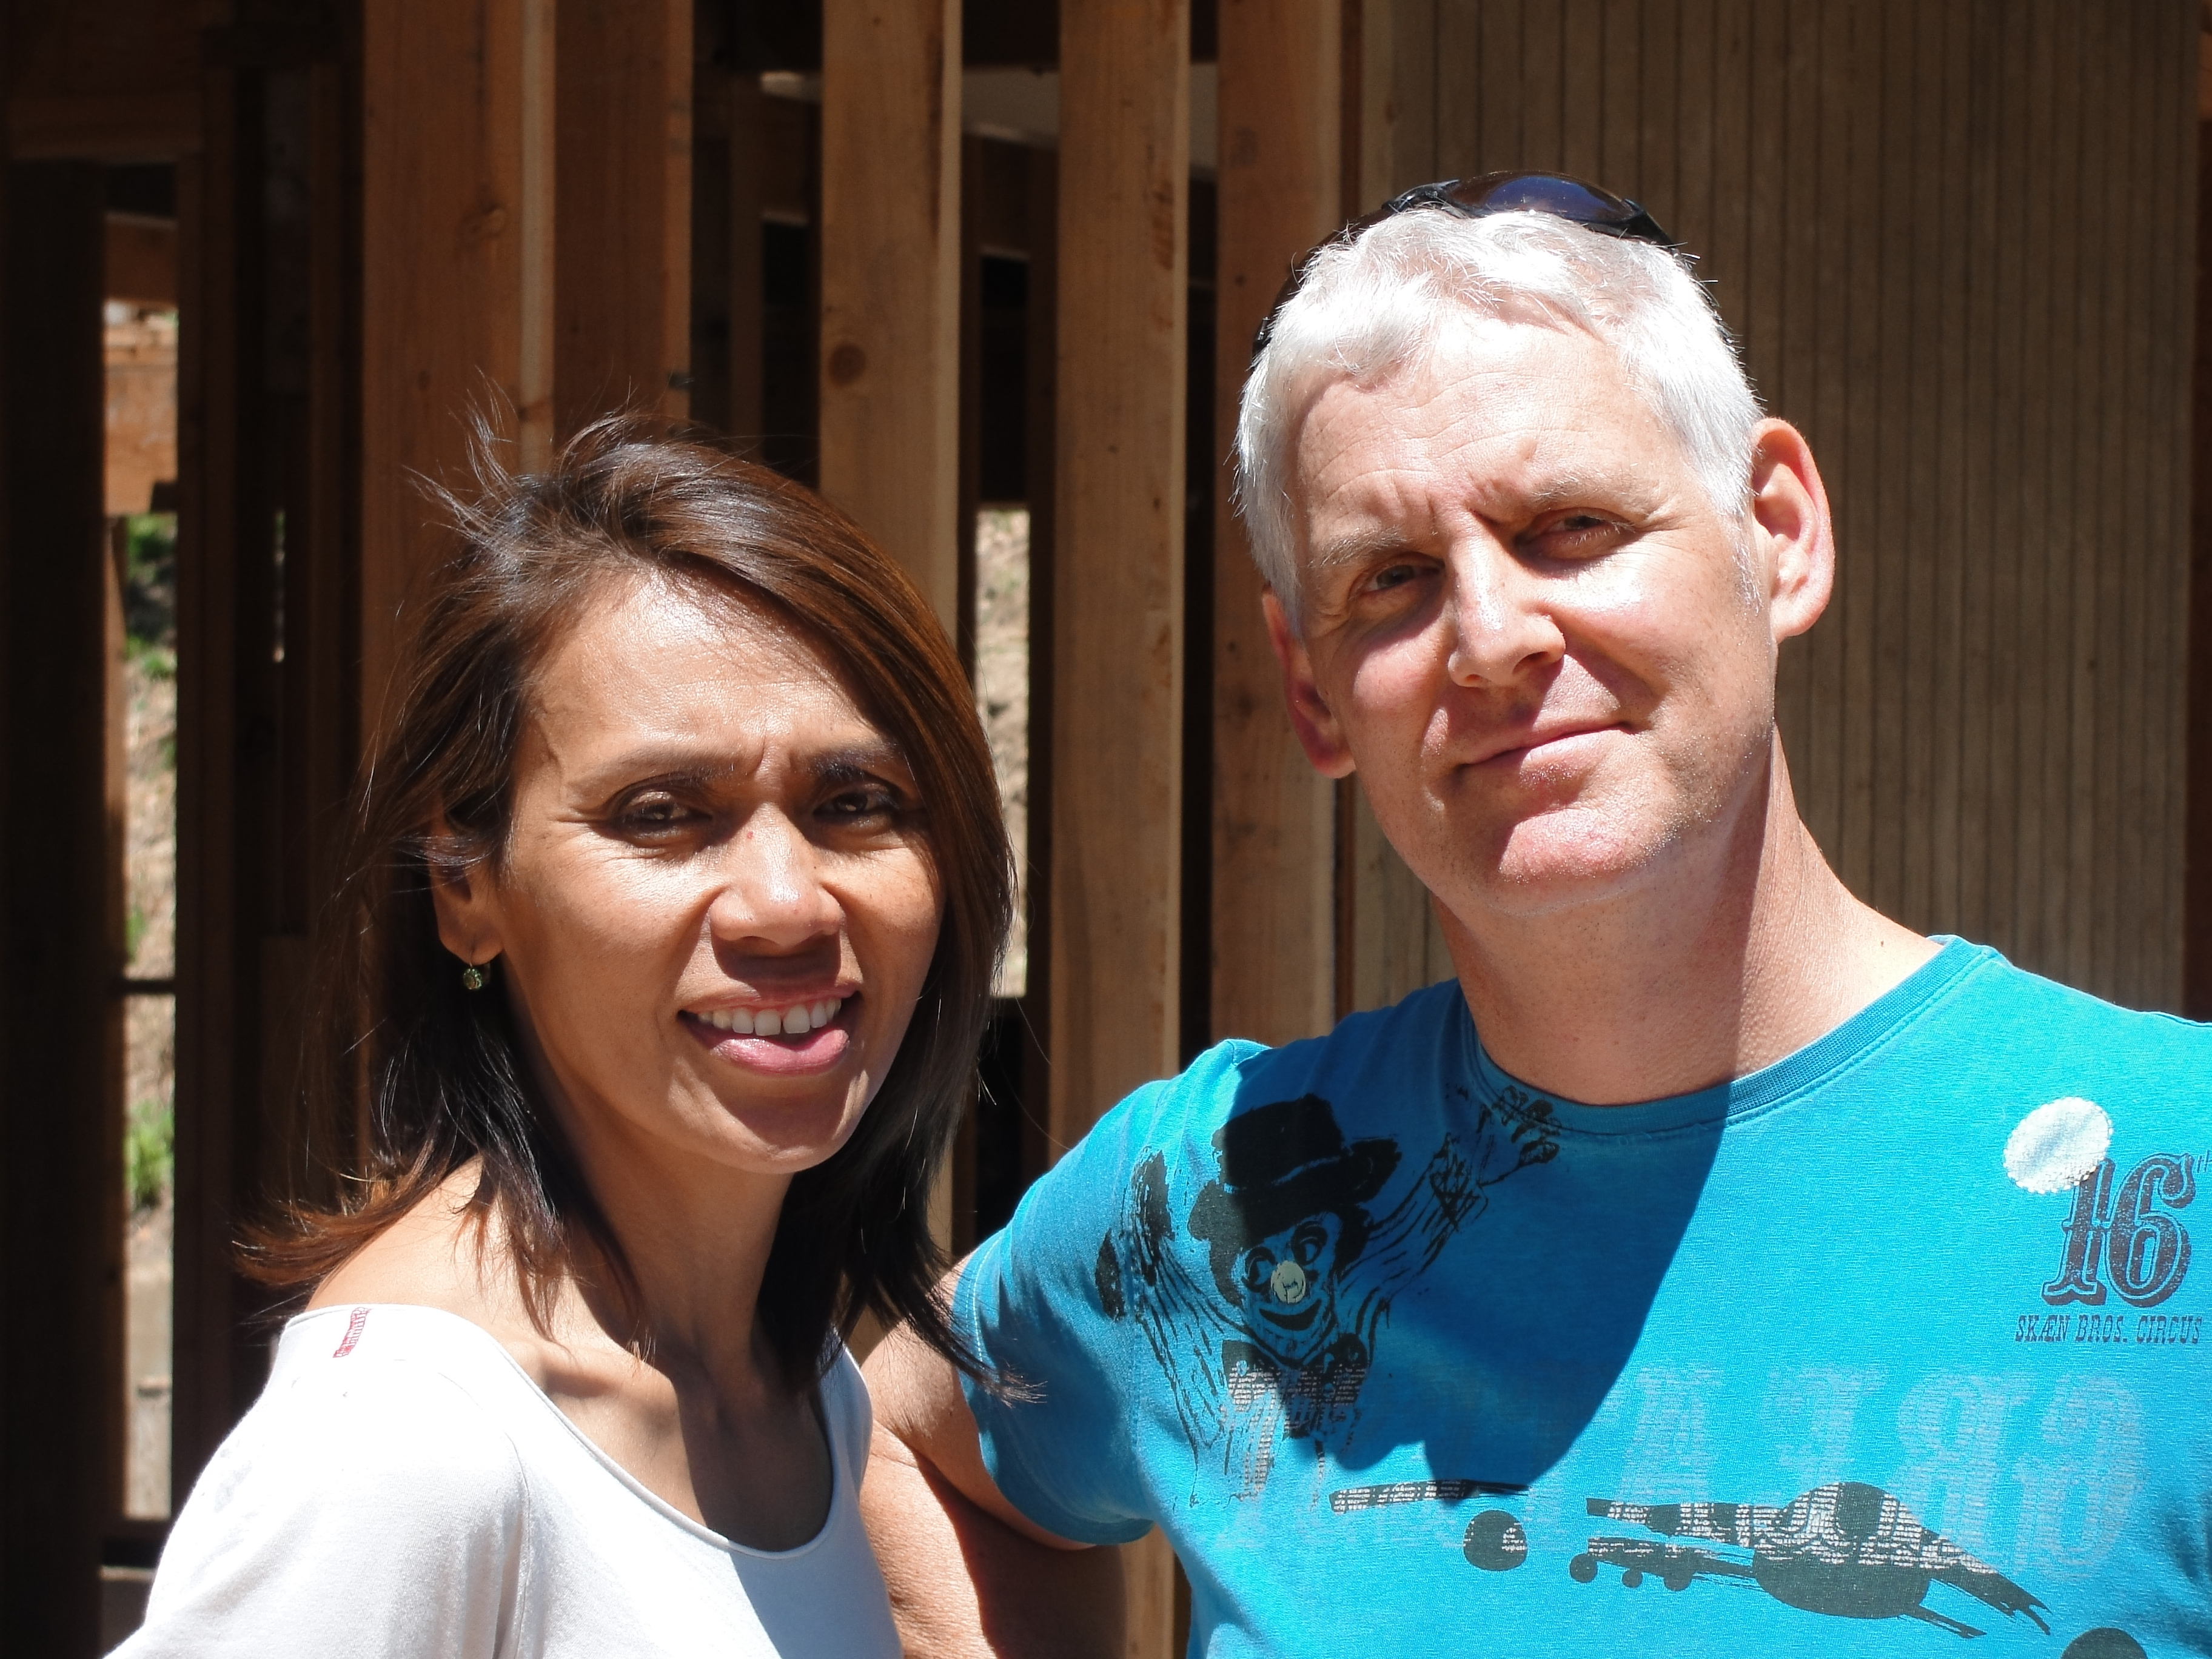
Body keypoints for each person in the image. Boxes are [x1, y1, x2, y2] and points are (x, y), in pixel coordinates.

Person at [861, 175, 2212, 1657]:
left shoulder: (2175, 1179)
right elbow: (901, 1454)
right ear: (1311, 692)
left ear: (1778, 533)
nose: (1493, 640)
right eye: (1391, 581)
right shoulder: (1218, 1204)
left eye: (1571, 525)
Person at [121, 423, 1011, 1655]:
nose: (786, 902)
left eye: (855, 804)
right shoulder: (411, 1438)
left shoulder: (798, 1387)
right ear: (466, 890)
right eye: (663, 816)